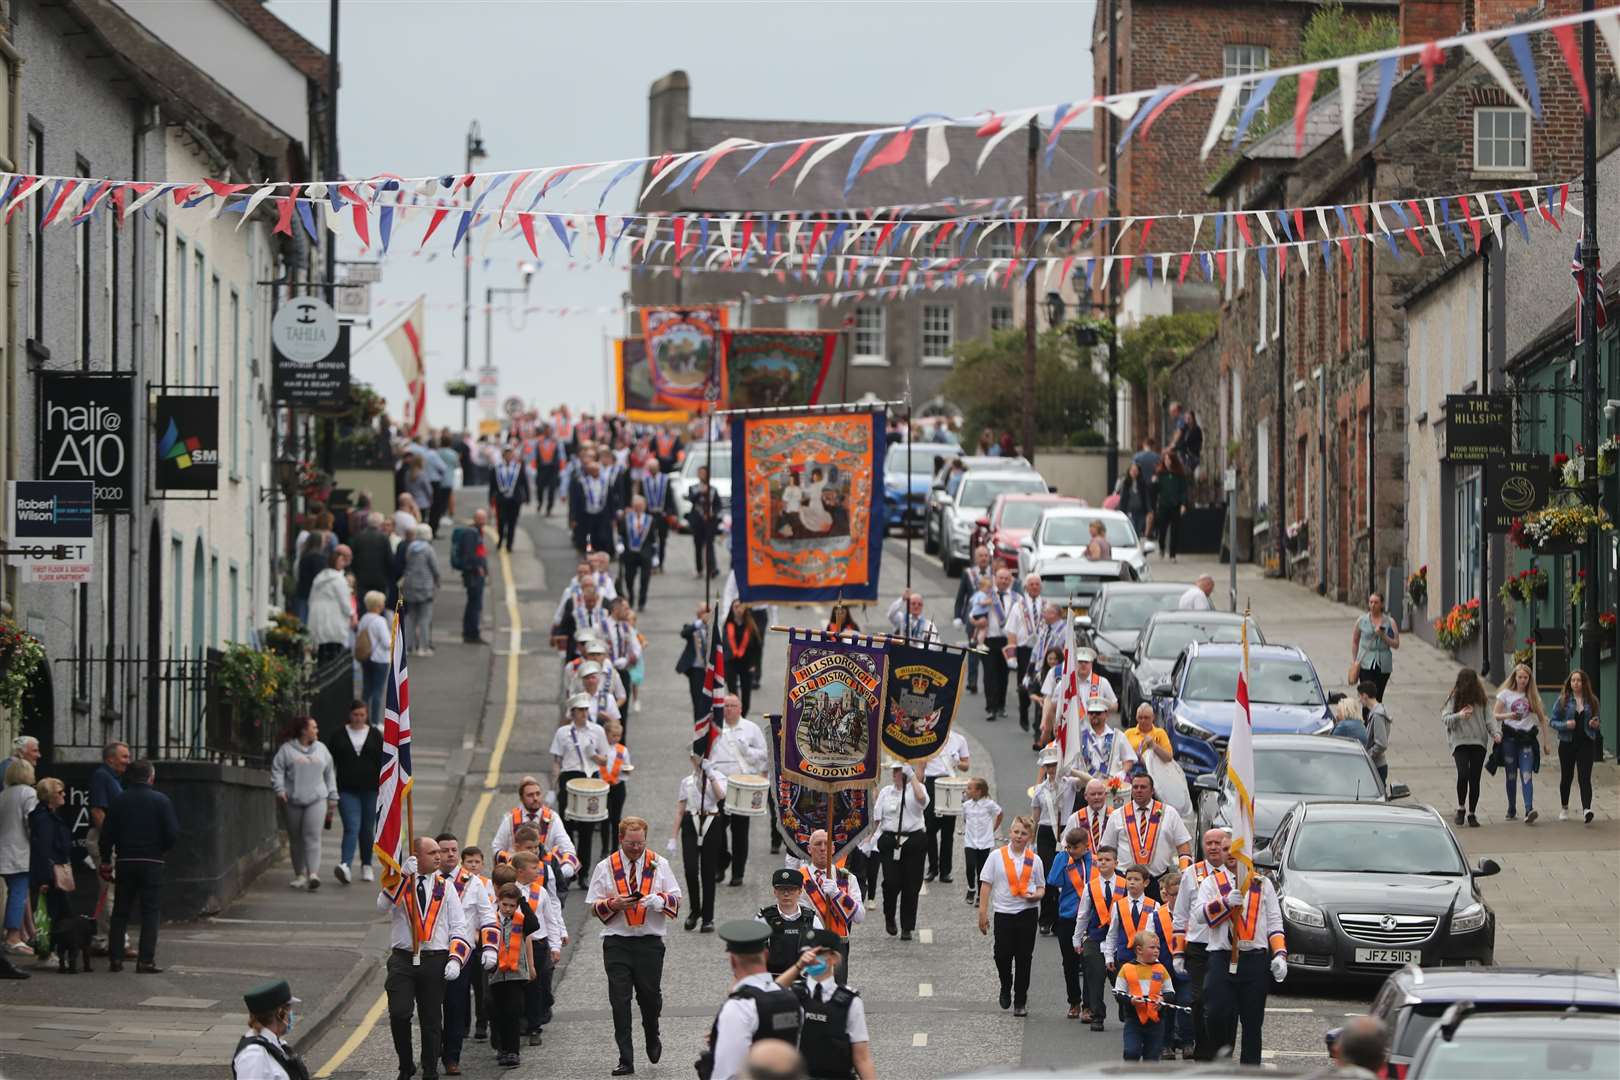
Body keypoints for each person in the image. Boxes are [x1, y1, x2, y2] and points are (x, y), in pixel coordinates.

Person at [587, 817, 680, 1076]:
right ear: (620, 839)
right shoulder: (606, 867)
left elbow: (676, 897)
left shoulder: (659, 863)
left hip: (649, 942)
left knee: (650, 999)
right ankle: (625, 1058)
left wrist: (658, 901)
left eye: (640, 843)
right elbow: (593, 906)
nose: (636, 848)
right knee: (620, 1001)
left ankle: (652, 1033)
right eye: (631, 843)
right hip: (617, 942)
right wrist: (613, 905)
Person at [380, 836, 473, 1080]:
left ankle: (430, 1070)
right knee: (399, 1013)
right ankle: (406, 1065)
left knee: (432, 1020)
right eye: (432, 853)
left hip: (435, 959)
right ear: (416, 857)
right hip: (403, 959)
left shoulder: (446, 885)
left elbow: (459, 926)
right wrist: (401, 877)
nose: (438, 857)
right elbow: (382, 906)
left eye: (438, 853)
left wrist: (456, 959)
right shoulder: (402, 881)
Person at [1197, 865, 1287, 1066]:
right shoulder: (1211, 881)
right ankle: (1221, 1061)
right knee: (1215, 1013)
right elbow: (1199, 916)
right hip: (1221, 957)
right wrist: (1224, 903)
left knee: (1252, 1023)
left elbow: (1274, 922)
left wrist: (1280, 954)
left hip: (1254, 960)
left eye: (1237, 848)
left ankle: (1250, 1072)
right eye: (1227, 848)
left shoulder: (1262, 883)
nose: (1232, 853)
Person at [99, 759, 179, 972]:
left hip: (125, 861)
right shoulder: (161, 801)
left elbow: (106, 835)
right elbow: (172, 833)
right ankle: (145, 960)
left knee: (120, 911)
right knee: (150, 912)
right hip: (152, 861)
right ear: (151, 777)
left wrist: (106, 860)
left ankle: (115, 958)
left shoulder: (119, 800)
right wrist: (160, 850)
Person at [698, 921, 804, 1080]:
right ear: (766, 955)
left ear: (733, 961)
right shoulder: (792, 999)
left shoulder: (739, 1007)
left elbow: (727, 1073)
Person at [777, 929, 876, 1080]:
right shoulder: (795, 994)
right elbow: (771, 993)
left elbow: (861, 1057)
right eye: (807, 954)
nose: (812, 959)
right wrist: (798, 966)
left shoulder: (850, 1001)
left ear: (834, 958)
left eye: (818, 953)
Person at [1173, 829, 1232, 1061]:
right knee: (1197, 1000)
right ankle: (1203, 1048)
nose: (1214, 847)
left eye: (1218, 843)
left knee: (1222, 1002)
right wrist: (1178, 952)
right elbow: (1180, 914)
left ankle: (1222, 1048)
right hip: (1198, 946)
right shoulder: (1191, 873)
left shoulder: (1236, 873)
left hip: (1225, 947)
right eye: (1209, 843)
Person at [271, 716, 338, 891]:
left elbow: (330, 774)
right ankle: (299, 874)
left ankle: (313, 874)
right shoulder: (287, 750)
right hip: (293, 799)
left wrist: (332, 796)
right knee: (296, 839)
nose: (317, 731)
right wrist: (280, 789)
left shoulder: (322, 749)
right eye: (313, 728)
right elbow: (277, 770)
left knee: (312, 836)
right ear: (303, 730)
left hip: (317, 799)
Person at [1101, 772, 1192, 901]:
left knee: (1159, 920)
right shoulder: (1117, 815)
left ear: (1152, 790)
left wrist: (1185, 876)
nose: (1139, 790)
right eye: (1135, 787)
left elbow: (1183, 846)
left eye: (1143, 787)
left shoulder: (1169, 813)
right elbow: (1107, 850)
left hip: (1159, 882)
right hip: (1126, 881)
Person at [709, 695, 769, 887]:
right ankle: (721, 863)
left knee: (740, 831)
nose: (729, 709)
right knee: (716, 828)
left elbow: (765, 756)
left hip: (743, 784)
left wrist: (748, 752)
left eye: (733, 705)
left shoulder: (751, 728)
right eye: (725, 706)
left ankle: (738, 872)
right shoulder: (715, 728)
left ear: (740, 708)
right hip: (719, 784)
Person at [551, 693, 611, 870]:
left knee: (588, 827)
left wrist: (594, 755)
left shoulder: (597, 731)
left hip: (590, 779)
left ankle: (584, 872)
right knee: (567, 826)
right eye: (580, 710)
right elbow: (557, 761)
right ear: (573, 712)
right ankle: (569, 868)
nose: (584, 713)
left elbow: (605, 760)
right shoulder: (562, 733)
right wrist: (553, 788)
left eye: (586, 709)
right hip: (569, 778)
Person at [1072, 844, 1126, 1031]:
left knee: (1120, 977)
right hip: (1095, 937)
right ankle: (1097, 1015)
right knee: (1095, 977)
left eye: (1107, 860)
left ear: (1116, 862)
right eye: (1100, 860)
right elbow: (1083, 914)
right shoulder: (1091, 887)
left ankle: (1124, 1006)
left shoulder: (1125, 884)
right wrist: (1077, 938)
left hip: (1119, 939)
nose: (1103, 863)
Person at [328, 701, 383, 885]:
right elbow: (329, 764)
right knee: (352, 826)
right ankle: (345, 865)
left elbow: (383, 762)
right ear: (349, 715)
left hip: (371, 790)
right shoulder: (338, 735)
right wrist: (330, 790)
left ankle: (367, 865)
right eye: (355, 715)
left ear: (366, 716)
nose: (358, 718)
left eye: (362, 715)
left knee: (367, 829)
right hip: (346, 790)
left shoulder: (375, 735)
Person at [487, 881, 541, 1069]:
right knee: (497, 1012)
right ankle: (501, 1048)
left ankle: (513, 1051)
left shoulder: (521, 919)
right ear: (498, 902)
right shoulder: (490, 920)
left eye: (512, 905)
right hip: (495, 975)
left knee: (513, 1011)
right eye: (505, 905)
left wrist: (523, 902)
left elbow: (534, 925)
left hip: (516, 974)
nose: (508, 909)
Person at [487, 776, 579, 883]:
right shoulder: (510, 819)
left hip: (545, 874)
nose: (535, 798)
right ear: (521, 798)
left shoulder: (553, 818)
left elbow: (567, 847)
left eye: (538, 794)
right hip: (518, 876)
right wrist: (512, 861)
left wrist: (562, 871)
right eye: (530, 795)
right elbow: (497, 847)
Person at [874, 763, 929, 940]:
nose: (896, 774)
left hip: (913, 840)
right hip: (890, 840)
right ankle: (889, 916)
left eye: (899, 771)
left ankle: (907, 926)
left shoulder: (917, 788)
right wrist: (870, 839)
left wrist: (912, 776)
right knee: (890, 882)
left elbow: (922, 800)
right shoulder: (886, 792)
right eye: (895, 771)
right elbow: (877, 818)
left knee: (911, 885)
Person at [674, 756, 728, 932]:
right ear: (691, 759)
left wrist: (711, 775)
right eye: (696, 757)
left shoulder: (718, 776)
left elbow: (721, 796)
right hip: (691, 822)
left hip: (712, 821)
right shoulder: (687, 782)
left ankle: (708, 918)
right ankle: (694, 910)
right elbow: (680, 810)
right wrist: (672, 837)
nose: (699, 761)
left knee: (708, 871)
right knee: (690, 869)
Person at [1493, 661, 1551, 823]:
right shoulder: (1505, 694)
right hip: (1510, 739)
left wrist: (1547, 742)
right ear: (1515, 677)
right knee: (1511, 775)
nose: (1523, 680)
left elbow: (1542, 719)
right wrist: (1509, 716)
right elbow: (1495, 714)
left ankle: (1528, 809)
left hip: (1526, 740)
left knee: (1527, 774)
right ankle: (1511, 808)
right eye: (1520, 677)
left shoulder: (1532, 696)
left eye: (1526, 677)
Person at [1442, 668, 1497, 828]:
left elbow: (1490, 719)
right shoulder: (1454, 697)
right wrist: (1459, 715)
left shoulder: (1482, 699)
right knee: (1463, 774)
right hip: (1459, 742)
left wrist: (1496, 733)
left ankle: (1472, 813)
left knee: (1475, 778)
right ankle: (1461, 808)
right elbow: (1445, 718)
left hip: (1478, 742)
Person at [1046, 826, 1092, 1019]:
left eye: (1076, 847)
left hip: (1090, 920)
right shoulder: (1064, 859)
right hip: (1068, 917)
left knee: (1089, 963)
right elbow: (1053, 880)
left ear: (1086, 846)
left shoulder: (1095, 862)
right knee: (1070, 962)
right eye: (1068, 847)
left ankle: (1088, 1006)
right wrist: (1062, 858)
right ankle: (1074, 1001)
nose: (1072, 850)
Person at [28, 777, 72, 969]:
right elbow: (44, 849)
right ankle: (48, 952)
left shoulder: (46, 816)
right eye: (59, 792)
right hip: (51, 871)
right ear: (49, 796)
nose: (64, 795)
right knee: (56, 912)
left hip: (51, 869)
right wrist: (45, 878)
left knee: (57, 912)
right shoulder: (45, 819)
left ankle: (51, 951)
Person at [1114, 929, 1175, 1062]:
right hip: (1133, 1019)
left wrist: (1162, 999)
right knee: (1131, 1052)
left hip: (1156, 1021)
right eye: (1152, 947)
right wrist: (1131, 1000)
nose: (1156, 951)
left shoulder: (1161, 969)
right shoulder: (1126, 969)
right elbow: (1118, 993)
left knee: (1152, 1057)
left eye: (1158, 948)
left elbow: (1170, 992)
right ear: (1139, 950)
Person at [232, 978, 310, 1080]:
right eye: (289, 1009)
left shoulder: (276, 1043)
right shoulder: (253, 1056)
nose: (291, 1014)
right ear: (280, 1013)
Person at [1101, 864, 1173, 973]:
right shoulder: (1118, 905)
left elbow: (1156, 935)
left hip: (1146, 959)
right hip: (1124, 957)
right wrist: (1109, 956)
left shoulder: (1154, 905)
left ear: (1146, 883)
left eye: (1136, 879)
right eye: (1129, 879)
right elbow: (1113, 933)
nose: (1132, 882)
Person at [1552, 669, 1601, 824]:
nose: (1576, 683)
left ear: (1584, 682)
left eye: (1579, 680)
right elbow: (1552, 721)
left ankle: (1587, 809)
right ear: (1570, 683)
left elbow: (1597, 721)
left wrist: (1595, 723)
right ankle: (1564, 807)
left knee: (1584, 777)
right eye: (1573, 680)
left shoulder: (1592, 700)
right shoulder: (1563, 700)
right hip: (1567, 743)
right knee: (1567, 777)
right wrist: (1565, 724)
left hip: (1586, 743)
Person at [923, 729, 970, 884]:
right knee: (930, 829)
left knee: (947, 831)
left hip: (950, 782)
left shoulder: (959, 739)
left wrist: (957, 762)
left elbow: (966, 765)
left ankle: (945, 871)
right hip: (931, 782)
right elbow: (921, 765)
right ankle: (932, 868)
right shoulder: (927, 736)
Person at [0, 758, 37, 956]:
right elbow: (31, 823)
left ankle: (16, 934)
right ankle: (13, 937)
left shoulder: (3, 795)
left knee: (15, 892)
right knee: (19, 893)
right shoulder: (29, 793)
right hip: (20, 852)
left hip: (4, 851)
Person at [1004, 574, 1048, 733]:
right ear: (1026, 587)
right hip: (1024, 650)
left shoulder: (1047, 605)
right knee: (1024, 684)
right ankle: (1023, 711)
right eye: (1032, 584)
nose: (1035, 587)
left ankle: (1038, 721)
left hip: (1043, 651)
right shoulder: (1018, 606)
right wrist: (1012, 655)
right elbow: (1011, 631)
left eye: (1037, 584)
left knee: (1041, 684)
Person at [1029, 748, 1064, 935]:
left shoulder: (1069, 784)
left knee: (1063, 876)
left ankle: (1060, 918)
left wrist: (1069, 769)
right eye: (1048, 765)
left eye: (1055, 765)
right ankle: (1045, 918)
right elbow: (1035, 817)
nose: (1052, 769)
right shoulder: (1040, 790)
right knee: (1047, 876)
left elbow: (1088, 782)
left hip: (1064, 831)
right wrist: (1031, 842)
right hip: (1045, 832)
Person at [756, 868, 816, 975]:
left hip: (803, 978)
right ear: (775, 892)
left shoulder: (811, 918)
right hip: (773, 979)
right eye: (781, 889)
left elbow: (821, 951)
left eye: (791, 889)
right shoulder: (763, 919)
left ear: (800, 892)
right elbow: (754, 953)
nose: (786, 894)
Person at [953, 545, 993, 694]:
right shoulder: (968, 573)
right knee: (973, 648)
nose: (983, 558)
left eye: (986, 555)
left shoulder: (994, 574)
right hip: (972, 617)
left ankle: (989, 682)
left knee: (987, 649)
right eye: (980, 555)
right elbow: (960, 596)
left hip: (989, 619)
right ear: (976, 558)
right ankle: (972, 681)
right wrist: (958, 616)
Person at [1072, 698, 1137, 788]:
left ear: (1106, 714)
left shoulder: (1118, 736)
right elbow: (1073, 764)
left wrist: (1122, 772)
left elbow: (1129, 759)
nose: (1094, 715)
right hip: (1087, 787)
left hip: (1111, 786)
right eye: (1091, 713)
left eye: (1098, 713)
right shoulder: (1080, 737)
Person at [981, 566, 1018, 722]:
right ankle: (991, 707)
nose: (1003, 581)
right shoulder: (987, 595)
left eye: (1006, 579)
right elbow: (974, 613)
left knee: (1003, 674)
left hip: (1007, 641)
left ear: (1010, 581)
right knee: (989, 674)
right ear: (995, 579)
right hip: (990, 639)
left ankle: (1001, 705)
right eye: (1001, 578)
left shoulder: (1017, 598)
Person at [308, 545, 356, 663]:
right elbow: (345, 602)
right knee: (334, 653)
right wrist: (352, 614)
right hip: (334, 620)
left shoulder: (319, 578)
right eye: (341, 561)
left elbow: (311, 598)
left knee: (322, 652)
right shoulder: (338, 580)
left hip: (318, 618)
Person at [960, 778, 1003, 908]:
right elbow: (965, 819)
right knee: (970, 866)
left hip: (985, 842)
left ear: (978, 791)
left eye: (969, 788)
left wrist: (993, 828)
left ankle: (980, 894)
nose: (966, 791)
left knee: (981, 869)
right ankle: (971, 888)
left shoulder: (989, 804)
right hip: (970, 841)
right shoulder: (966, 805)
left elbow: (1000, 813)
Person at [1351, 592, 1399, 699]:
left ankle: (1376, 715)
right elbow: (1355, 641)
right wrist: (1355, 661)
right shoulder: (1361, 620)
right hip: (1365, 662)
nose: (1373, 605)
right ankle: (1366, 716)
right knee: (1366, 696)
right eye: (1371, 602)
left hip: (1383, 664)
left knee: (1378, 696)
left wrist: (1383, 636)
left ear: (1382, 604)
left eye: (1376, 602)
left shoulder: (1390, 622)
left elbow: (1396, 644)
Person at [402, 523, 441, 657]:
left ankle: (408, 646)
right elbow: (435, 567)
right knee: (425, 618)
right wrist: (437, 580)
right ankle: (423, 647)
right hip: (425, 587)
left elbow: (407, 563)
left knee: (411, 617)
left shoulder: (410, 548)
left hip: (409, 586)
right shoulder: (428, 549)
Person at [356, 592, 394, 726]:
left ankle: (363, 718)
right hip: (380, 659)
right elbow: (386, 643)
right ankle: (375, 721)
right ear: (378, 605)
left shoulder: (364, 618)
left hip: (366, 658)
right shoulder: (380, 621)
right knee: (377, 691)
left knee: (366, 690)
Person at [453, 509, 489, 645]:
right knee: (474, 604)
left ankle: (471, 632)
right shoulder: (471, 533)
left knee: (474, 604)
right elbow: (469, 554)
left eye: (484, 519)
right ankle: (471, 633)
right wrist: (478, 568)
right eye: (480, 519)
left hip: (476, 574)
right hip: (473, 576)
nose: (483, 522)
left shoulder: (477, 532)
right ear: (475, 519)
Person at [569, 456, 616, 555]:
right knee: (588, 535)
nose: (595, 473)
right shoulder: (581, 482)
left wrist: (613, 517)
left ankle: (601, 552)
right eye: (592, 471)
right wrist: (573, 517)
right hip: (586, 515)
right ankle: (589, 551)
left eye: (596, 470)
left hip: (602, 514)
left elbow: (611, 500)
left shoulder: (606, 482)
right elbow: (575, 501)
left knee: (602, 536)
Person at [723, 602, 762, 716]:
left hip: (746, 663)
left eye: (741, 606)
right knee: (733, 693)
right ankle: (735, 716)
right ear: (732, 609)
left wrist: (755, 664)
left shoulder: (750, 625)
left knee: (746, 695)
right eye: (736, 607)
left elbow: (757, 647)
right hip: (731, 662)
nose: (738, 609)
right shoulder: (728, 625)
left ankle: (742, 716)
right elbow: (723, 645)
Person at [490, 446, 530, 552]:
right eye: (506, 454)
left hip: (515, 499)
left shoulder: (518, 468)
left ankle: (509, 544)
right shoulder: (496, 468)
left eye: (510, 454)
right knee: (501, 522)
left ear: (512, 456)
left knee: (512, 522)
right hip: (501, 499)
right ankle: (500, 539)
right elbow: (492, 486)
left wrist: (527, 497)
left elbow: (524, 483)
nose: (508, 456)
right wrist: (490, 499)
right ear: (503, 456)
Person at [678, 602, 713, 720]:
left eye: (707, 612)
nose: (705, 615)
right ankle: (699, 727)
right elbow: (684, 633)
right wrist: (700, 623)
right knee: (698, 701)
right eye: (702, 612)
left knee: (710, 701)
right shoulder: (692, 626)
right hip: (696, 670)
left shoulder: (713, 628)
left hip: (710, 669)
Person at [687, 464, 722, 580]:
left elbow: (718, 505)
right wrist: (700, 492)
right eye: (700, 473)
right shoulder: (693, 488)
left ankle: (712, 569)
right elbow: (692, 499)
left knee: (709, 545)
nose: (702, 475)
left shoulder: (713, 490)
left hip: (709, 521)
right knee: (698, 546)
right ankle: (699, 569)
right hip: (697, 521)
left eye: (704, 473)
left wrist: (714, 513)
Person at [1152, 452, 1187, 562]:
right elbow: (1155, 491)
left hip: (1175, 505)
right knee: (1162, 529)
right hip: (1163, 505)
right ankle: (1162, 547)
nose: (1167, 462)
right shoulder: (1160, 474)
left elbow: (1183, 491)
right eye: (1165, 459)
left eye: (1169, 459)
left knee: (1175, 531)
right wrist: (1154, 483)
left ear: (1173, 461)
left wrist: (1183, 504)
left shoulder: (1179, 475)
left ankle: (1172, 555)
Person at [1359, 680, 1393, 784]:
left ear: (1365, 696)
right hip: (1377, 765)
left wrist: (1367, 756)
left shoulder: (1377, 715)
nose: (1359, 700)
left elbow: (1381, 744)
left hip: (1377, 766)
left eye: (1359, 696)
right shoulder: (1376, 712)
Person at [291, 531, 327, 624]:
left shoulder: (304, 555)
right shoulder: (319, 558)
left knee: (302, 621)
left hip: (302, 591)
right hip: (313, 594)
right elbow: (320, 577)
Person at [1114, 462, 1153, 542]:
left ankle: (1136, 545)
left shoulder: (1142, 483)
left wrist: (1149, 510)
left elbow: (1146, 498)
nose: (1134, 472)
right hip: (1129, 511)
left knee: (1138, 531)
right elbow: (1123, 499)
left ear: (1139, 472)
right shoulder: (1126, 483)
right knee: (1132, 529)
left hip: (1140, 511)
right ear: (1129, 471)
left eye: (1136, 471)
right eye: (1132, 470)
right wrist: (1121, 511)